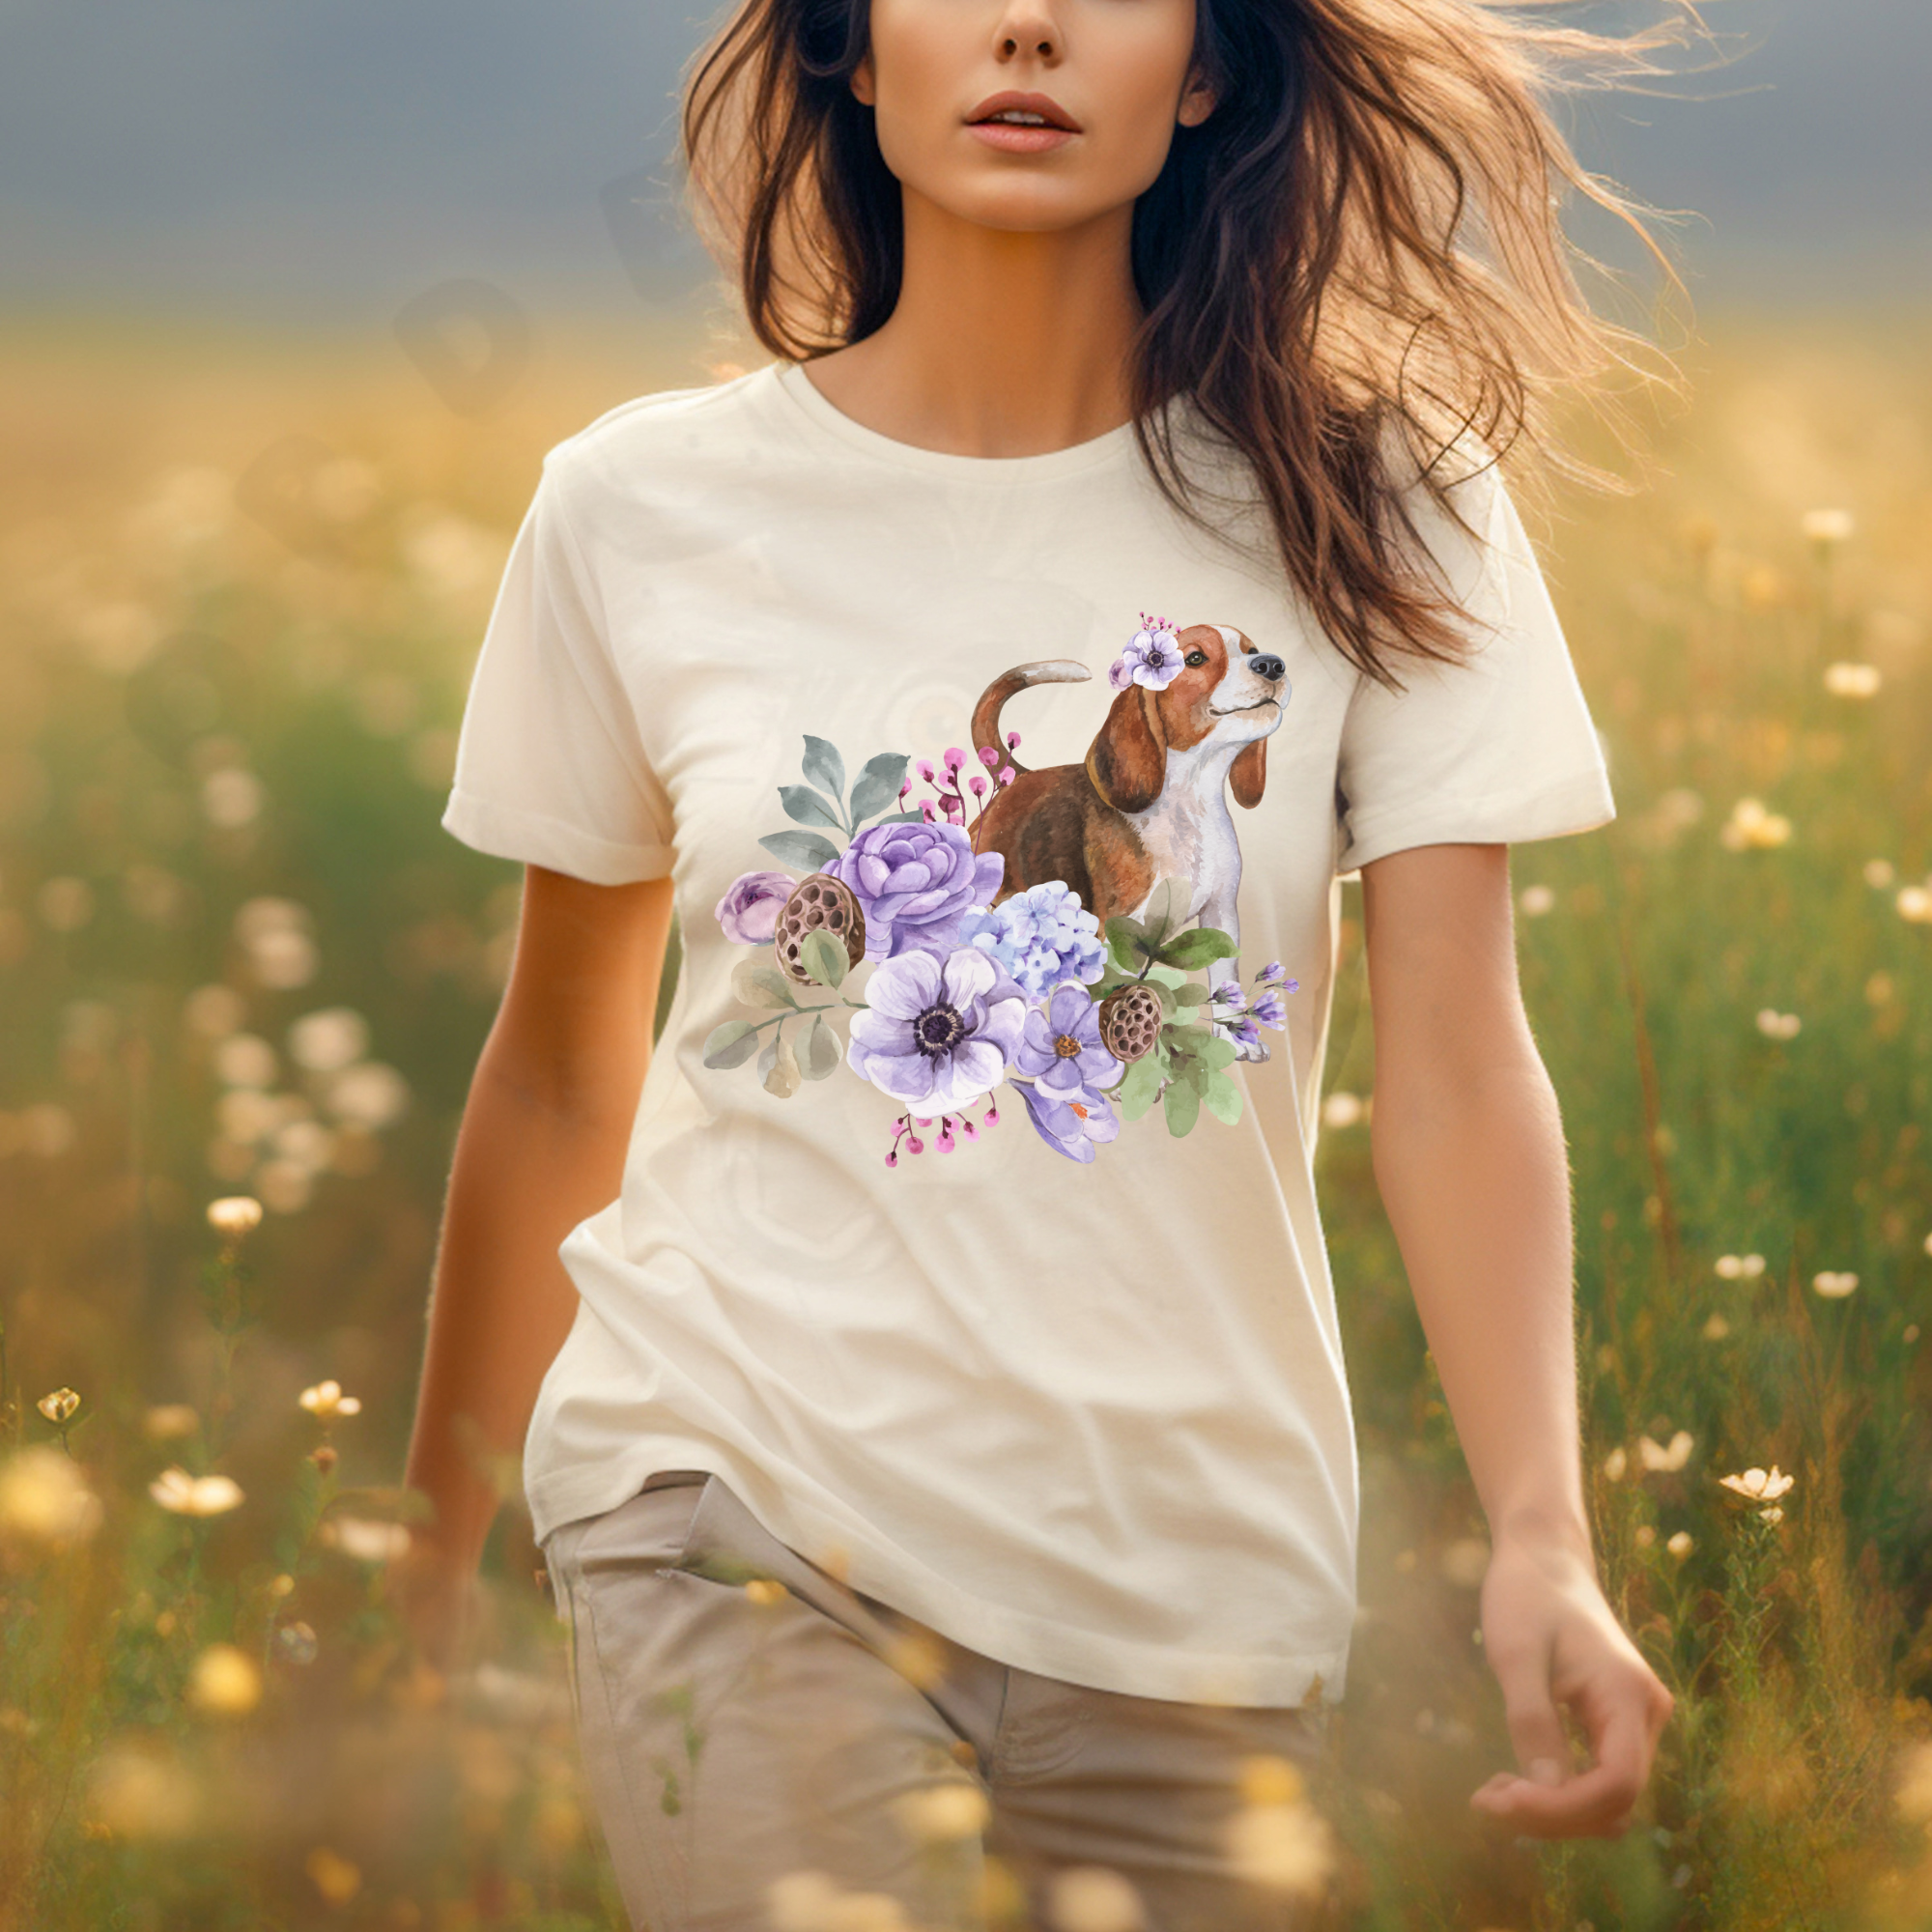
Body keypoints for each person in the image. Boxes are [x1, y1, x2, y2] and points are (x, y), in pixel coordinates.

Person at [401, 0, 1690, 1923]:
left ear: (1206, 69)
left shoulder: (1383, 509)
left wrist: (1541, 1538)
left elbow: (1455, 1066)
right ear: (846, 46)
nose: (1025, 22)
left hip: (1197, 1578)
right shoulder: (637, 509)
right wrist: (417, 1576)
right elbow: (564, 1067)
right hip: (733, 1509)